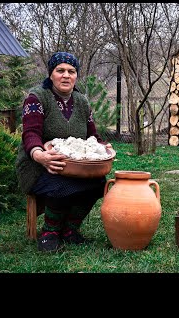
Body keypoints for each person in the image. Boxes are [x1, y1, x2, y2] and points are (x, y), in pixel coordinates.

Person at [15, 52, 114, 252]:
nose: (66, 75)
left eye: (71, 71)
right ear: (51, 74)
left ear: (76, 75)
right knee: (60, 184)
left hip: (74, 165)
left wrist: (103, 147)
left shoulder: (82, 102)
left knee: (99, 183)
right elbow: (31, 134)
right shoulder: (37, 98)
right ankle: (50, 232)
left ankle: (70, 229)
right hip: (38, 165)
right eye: (60, 70)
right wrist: (39, 155)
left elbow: (92, 135)